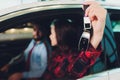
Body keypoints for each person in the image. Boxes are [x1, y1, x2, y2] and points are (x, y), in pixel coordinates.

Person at [43, 1, 107, 80]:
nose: (50, 36)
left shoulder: (72, 56)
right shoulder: (57, 52)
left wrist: (97, 36)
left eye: (52, 33)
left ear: (61, 35)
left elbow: (75, 70)